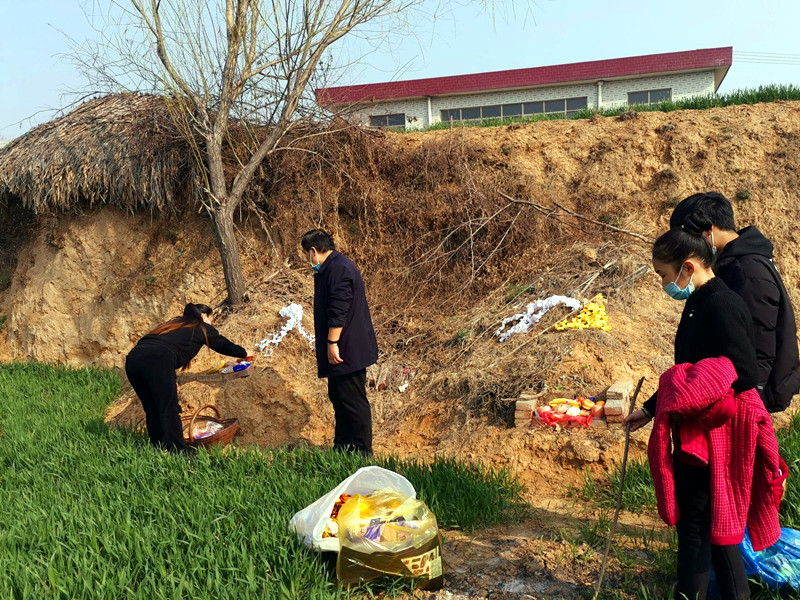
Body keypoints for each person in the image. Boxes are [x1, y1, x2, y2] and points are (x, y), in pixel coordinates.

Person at [625, 214, 762, 600]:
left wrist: (694, 399)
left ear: (687, 267)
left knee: (700, 530)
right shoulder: (699, 303)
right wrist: (652, 409)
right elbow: (687, 371)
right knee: (710, 532)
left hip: (711, 438)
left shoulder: (721, 304)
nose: (664, 284)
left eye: (663, 275)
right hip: (695, 434)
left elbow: (744, 372)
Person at [670, 191, 800, 413]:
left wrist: (747, 406)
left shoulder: (749, 271)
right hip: (726, 393)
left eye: (688, 238)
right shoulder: (727, 265)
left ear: (708, 230)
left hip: (740, 401)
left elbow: (760, 346)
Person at [125, 303, 251, 454]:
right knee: (169, 408)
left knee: (152, 408)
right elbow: (222, 344)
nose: (211, 325)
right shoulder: (200, 326)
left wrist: (171, 378)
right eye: (211, 320)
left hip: (133, 360)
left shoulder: (173, 324)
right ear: (204, 316)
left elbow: (160, 348)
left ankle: (157, 448)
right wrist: (244, 353)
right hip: (157, 360)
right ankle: (179, 452)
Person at [301, 229, 378, 455]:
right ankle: (343, 447)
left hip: (347, 349)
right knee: (339, 398)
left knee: (353, 401)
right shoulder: (333, 267)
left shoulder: (339, 269)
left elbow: (339, 310)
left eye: (306, 254)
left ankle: (362, 451)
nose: (307, 260)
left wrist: (332, 342)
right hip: (344, 348)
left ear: (314, 251)